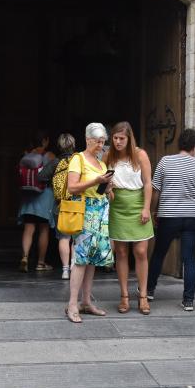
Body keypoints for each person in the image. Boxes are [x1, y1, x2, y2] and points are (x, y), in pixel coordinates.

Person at [147, 128, 195, 312]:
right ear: (194, 147)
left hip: (169, 215)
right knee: (189, 258)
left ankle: (150, 290)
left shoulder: (165, 162)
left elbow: (156, 190)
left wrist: (153, 212)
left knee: (159, 253)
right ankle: (188, 300)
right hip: (192, 217)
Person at [64, 122, 114, 323]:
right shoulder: (78, 159)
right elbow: (72, 187)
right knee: (81, 258)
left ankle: (86, 302)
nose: (101, 146)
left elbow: (109, 196)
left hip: (100, 212)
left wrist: (109, 187)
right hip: (85, 212)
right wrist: (96, 181)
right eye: (97, 141)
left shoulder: (101, 164)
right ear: (87, 139)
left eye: (103, 142)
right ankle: (72, 304)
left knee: (93, 258)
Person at [105, 122, 154, 315]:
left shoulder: (140, 154)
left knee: (141, 251)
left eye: (121, 138)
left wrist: (146, 208)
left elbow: (148, 183)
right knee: (121, 252)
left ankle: (143, 296)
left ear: (129, 138)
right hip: (117, 206)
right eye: (115, 138)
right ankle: (124, 296)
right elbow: (104, 181)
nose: (118, 142)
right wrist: (108, 190)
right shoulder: (108, 156)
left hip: (138, 203)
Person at [17, 133, 56, 273]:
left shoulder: (26, 154)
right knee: (44, 229)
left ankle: (25, 257)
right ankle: (40, 263)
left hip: (28, 196)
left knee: (29, 228)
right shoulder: (49, 155)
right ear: (45, 141)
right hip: (45, 195)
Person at [43, 133, 77, 280]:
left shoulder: (55, 162)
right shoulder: (79, 160)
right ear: (73, 145)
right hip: (77, 203)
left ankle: (64, 270)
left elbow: (41, 177)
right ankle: (74, 267)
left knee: (63, 237)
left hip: (60, 204)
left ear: (59, 146)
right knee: (76, 238)